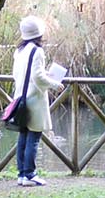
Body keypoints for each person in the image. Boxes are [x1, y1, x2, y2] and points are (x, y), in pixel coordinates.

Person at [12, 15, 66, 187]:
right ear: (39, 33)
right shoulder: (37, 51)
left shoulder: (19, 51)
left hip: (20, 98)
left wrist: (44, 75)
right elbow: (37, 77)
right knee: (34, 137)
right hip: (34, 101)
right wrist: (55, 84)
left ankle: (21, 174)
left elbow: (21, 74)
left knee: (23, 137)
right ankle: (30, 174)